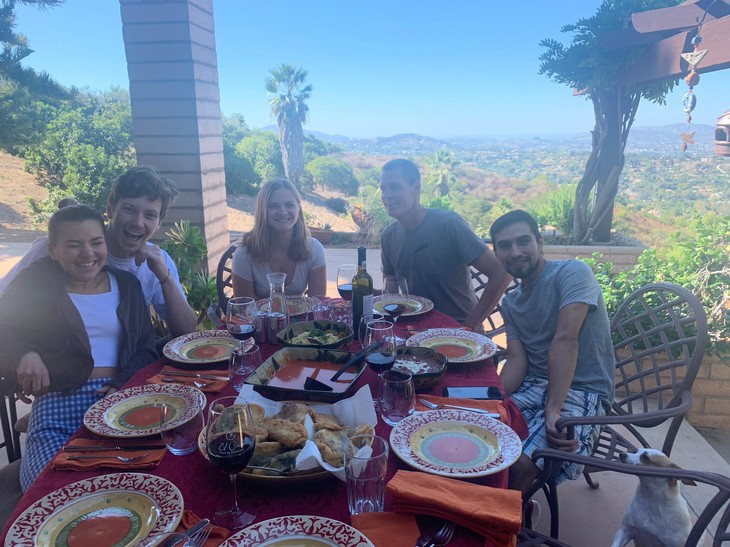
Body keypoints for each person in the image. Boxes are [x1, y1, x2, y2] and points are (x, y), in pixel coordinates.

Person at [0, 205, 158, 490]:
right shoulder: (35, 284)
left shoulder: (127, 284)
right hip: (57, 408)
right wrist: (25, 353)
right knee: (49, 493)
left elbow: (146, 348)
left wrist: (124, 383)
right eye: (73, 245)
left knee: (137, 485)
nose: (87, 254)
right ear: (53, 249)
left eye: (96, 242)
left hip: (120, 403)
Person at [489, 210, 615, 492]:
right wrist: (492, 397)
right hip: (535, 384)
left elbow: (566, 340)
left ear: (540, 242)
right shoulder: (511, 303)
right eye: (505, 246)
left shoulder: (572, 272)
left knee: (519, 462)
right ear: (496, 253)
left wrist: (553, 410)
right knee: (476, 429)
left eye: (524, 241)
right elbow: (518, 359)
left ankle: (503, 526)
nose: (516, 251)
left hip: (582, 388)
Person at [0, 166, 197, 337]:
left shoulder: (158, 262)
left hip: (125, 372)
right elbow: (6, 304)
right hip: (57, 369)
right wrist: (27, 352)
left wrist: (165, 278)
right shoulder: (55, 249)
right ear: (110, 209)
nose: (138, 222)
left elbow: (187, 332)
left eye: (150, 215)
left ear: (159, 223)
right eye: (129, 210)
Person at [379, 158, 509, 330]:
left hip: (458, 328)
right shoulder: (388, 236)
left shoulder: (448, 225)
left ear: (416, 188)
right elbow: (391, 293)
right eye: (383, 188)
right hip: (416, 330)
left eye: (395, 187)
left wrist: (470, 325)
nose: (386, 195)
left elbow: (502, 272)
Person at [231, 178, 326, 300]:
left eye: (289, 205)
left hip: (304, 319)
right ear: (262, 211)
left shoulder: (315, 249)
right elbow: (244, 310)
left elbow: (318, 304)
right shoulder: (244, 254)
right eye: (273, 206)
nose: (282, 212)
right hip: (258, 319)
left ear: (298, 209)